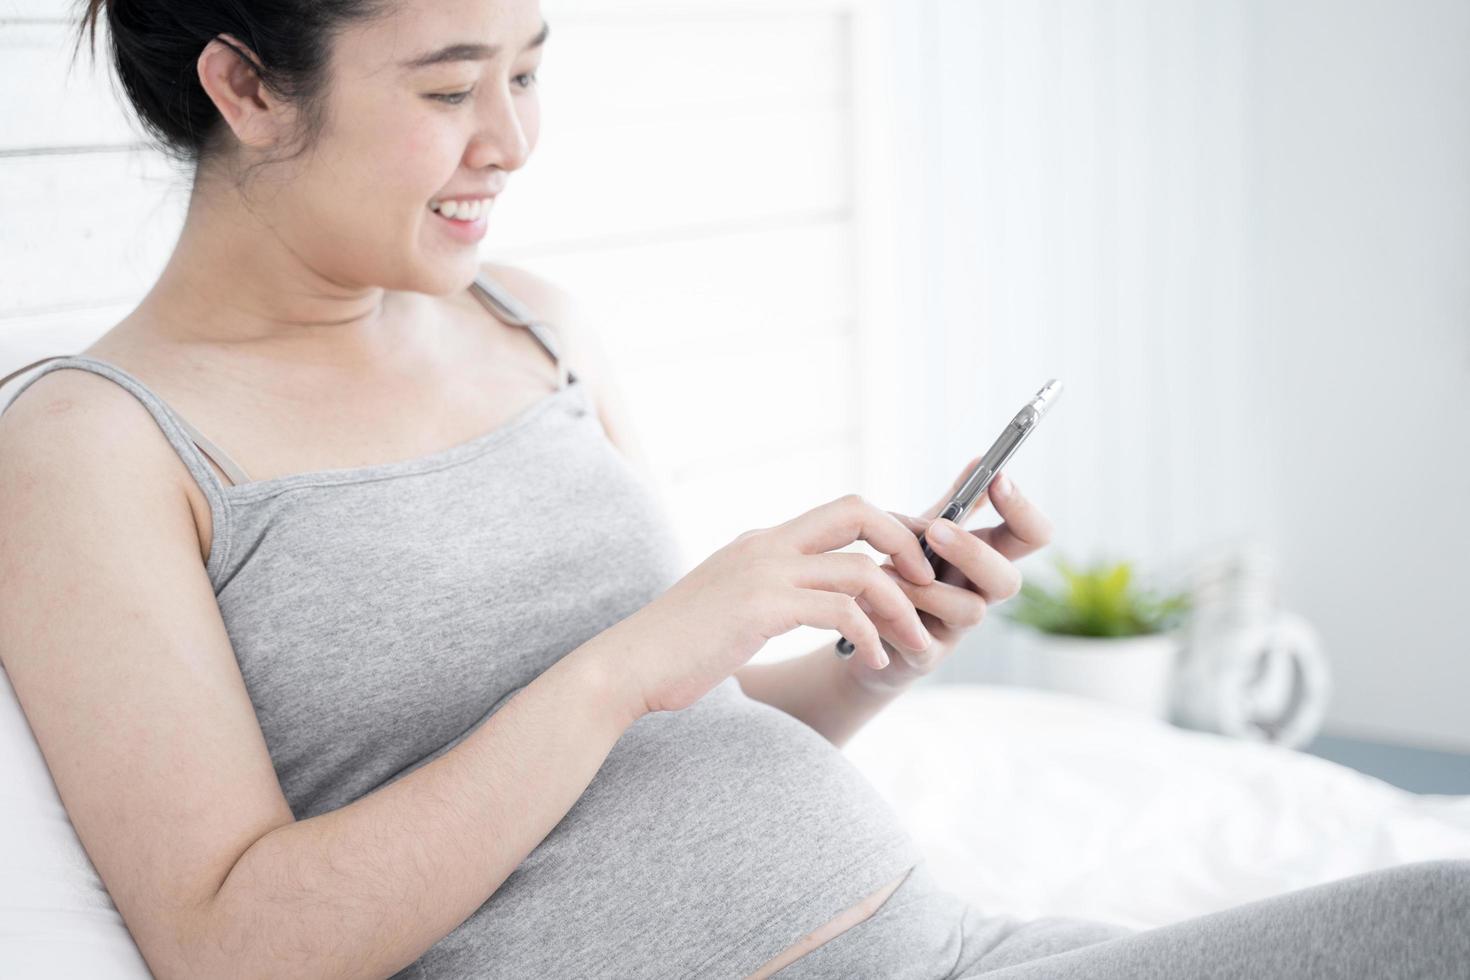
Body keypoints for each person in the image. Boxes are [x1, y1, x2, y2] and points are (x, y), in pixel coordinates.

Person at [0, 2, 1464, 978]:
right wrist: (633, 659)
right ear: (246, 85)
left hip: (959, 951)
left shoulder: (531, 321)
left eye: (528, 67)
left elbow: (676, 731)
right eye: (451, 86)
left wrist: (870, 654)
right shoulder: (97, 446)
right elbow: (232, 945)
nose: (510, 139)